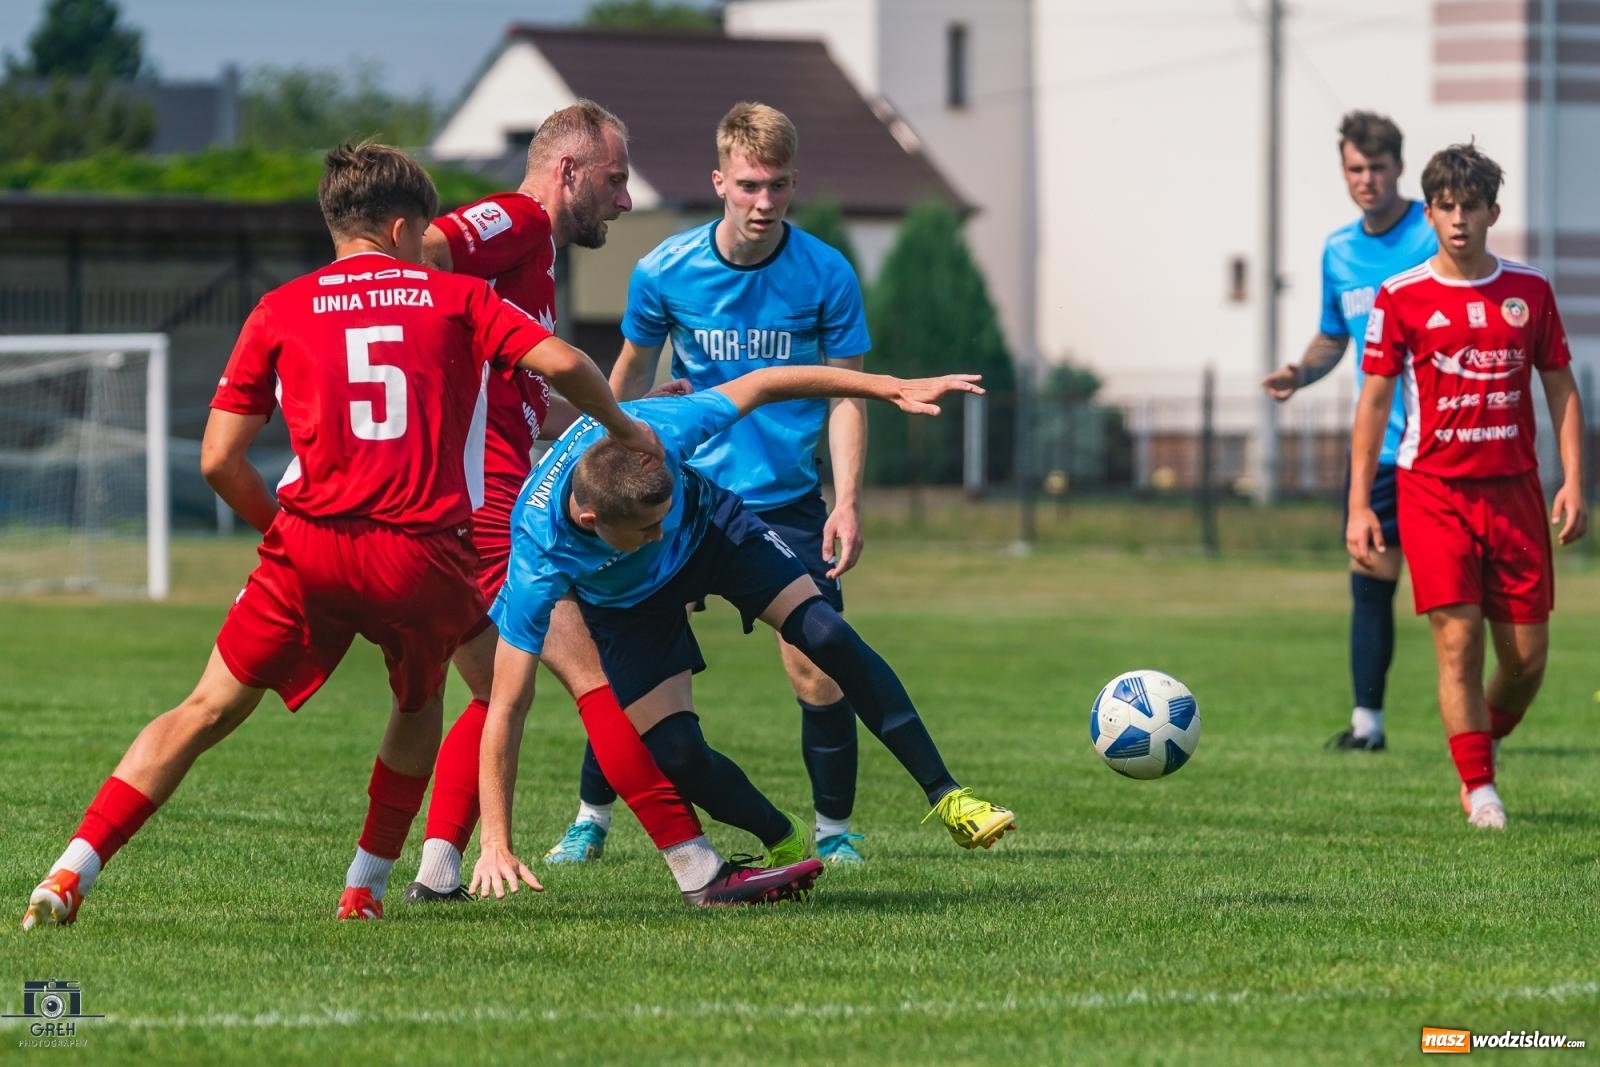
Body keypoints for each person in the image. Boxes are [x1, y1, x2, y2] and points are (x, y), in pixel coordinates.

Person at [17, 142, 674, 929]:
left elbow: (220, 461)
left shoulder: (281, 307)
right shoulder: (452, 297)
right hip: (420, 552)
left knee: (203, 709)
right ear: (403, 229)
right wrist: (625, 425)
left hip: (309, 546)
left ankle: (69, 868)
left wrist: (284, 535)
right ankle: (364, 885)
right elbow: (563, 360)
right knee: (428, 695)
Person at [395, 101, 805, 908]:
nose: (623, 200)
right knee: (592, 684)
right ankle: (700, 872)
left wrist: (639, 406)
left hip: (482, 501)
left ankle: (434, 873)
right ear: (567, 171)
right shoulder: (515, 219)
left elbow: (515, 396)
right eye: (615, 180)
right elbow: (423, 255)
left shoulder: (536, 264)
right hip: (487, 510)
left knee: (492, 693)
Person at [470, 364, 1017, 902]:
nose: (659, 534)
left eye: (662, 514)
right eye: (645, 528)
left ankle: (948, 795)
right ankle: (783, 839)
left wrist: (889, 384)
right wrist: (496, 839)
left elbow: (765, 383)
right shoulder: (538, 555)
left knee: (827, 637)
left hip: (716, 535)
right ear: (592, 521)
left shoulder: (660, 428)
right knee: (679, 755)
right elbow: (508, 705)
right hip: (628, 608)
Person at [545, 101, 877, 867]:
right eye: (751, 185)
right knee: (630, 665)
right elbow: (624, 377)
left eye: (781, 186)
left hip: (787, 500)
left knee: (817, 661)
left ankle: (835, 832)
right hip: (679, 500)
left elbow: (847, 397)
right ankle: (591, 817)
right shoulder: (665, 269)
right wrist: (599, 462)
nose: (765, 202)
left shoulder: (827, 273)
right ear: (719, 180)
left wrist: (849, 500)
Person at [1349, 141, 1587, 830]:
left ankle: (1483, 739)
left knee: (1527, 661)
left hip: (1514, 493)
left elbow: (1561, 386)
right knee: (1458, 644)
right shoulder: (1401, 297)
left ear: (1492, 212)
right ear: (1429, 213)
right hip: (1432, 492)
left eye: (1471, 207)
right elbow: (1372, 404)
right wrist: (1361, 501)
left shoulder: (1530, 291)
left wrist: (1574, 479)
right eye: (1446, 207)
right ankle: (1479, 786)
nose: (1458, 219)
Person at [1262, 111, 1437, 753]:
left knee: (1457, 595)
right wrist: (1297, 373)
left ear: (1399, 166)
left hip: (1443, 447)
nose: (1367, 180)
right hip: (1381, 452)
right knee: (1370, 581)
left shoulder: (1435, 230)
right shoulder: (1339, 250)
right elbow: (1335, 334)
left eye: (1378, 167)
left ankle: (1481, 726)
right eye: (1355, 169)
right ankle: (1368, 725)